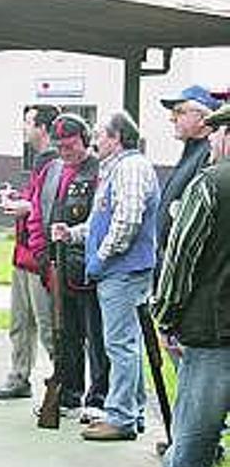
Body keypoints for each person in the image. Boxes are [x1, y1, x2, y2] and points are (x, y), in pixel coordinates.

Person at [53, 110, 160, 441]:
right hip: (122, 271)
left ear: (116, 138)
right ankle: (131, 411)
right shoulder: (118, 169)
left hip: (123, 272)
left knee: (120, 346)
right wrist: (72, 234)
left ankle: (121, 418)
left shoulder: (129, 168)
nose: (95, 140)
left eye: (100, 134)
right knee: (126, 344)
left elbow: (126, 223)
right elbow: (103, 222)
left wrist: (99, 258)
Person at [153, 103, 230, 467]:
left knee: (189, 456)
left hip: (214, 339)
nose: (212, 141)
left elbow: (180, 260)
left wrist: (165, 317)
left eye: (216, 132)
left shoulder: (210, 183)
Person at [27, 113, 108, 419]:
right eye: (60, 145)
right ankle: (69, 393)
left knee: (97, 340)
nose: (65, 152)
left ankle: (97, 399)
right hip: (56, 267)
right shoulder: (52, 171)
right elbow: (36, 215)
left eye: (71, 145)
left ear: (85, 141)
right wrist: (41, 256)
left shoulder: (101, 171)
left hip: (88, 270)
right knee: (65, 337)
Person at [0, 104, 60, 399]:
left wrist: (27, 207)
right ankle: (19, 377)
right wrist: (20, 200)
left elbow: (55, 207)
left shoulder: (55, 163)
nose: (23, 128)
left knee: (47, 327)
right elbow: (37, 200)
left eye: (28, 122)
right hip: (23, 256)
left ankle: (64, 384)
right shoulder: (39, 162)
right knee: (20, 324)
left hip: (40, 259)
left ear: (42, 128)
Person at [155, 85, 220, 272]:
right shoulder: (193, 151)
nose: (172, 118)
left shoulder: (210, 154)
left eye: (179, 112)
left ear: (202, 118)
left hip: (189, 271)